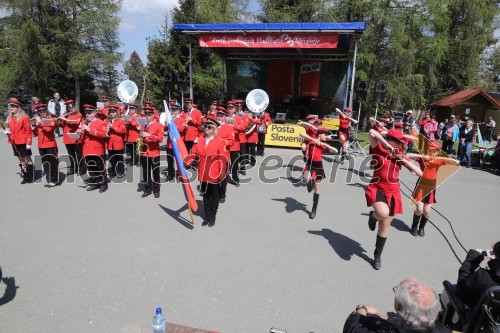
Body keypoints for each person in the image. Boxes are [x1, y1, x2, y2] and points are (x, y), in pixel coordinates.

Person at [366, 129, 422, 270]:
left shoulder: (400, 155)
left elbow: (420, 172)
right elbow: (372, 132)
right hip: (378, 188)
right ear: (390, 139)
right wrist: (387, 145)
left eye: (400, 143)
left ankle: (377, 255)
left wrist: (402, 158)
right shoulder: (378, 148)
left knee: (384, 226)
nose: (399, 145)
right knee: (382, 213)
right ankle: (373, 216)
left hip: (393, 193)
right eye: (398, 142)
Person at [343, 278, 450, 332]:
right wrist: (380, 315)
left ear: (397, 306)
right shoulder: (441, 330)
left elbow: (352, 327)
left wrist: (362, 308)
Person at [407, 142, 459, 237]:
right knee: (419, 208)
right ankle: (414, 227)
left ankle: (421, 228)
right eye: (430, 150)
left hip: (431, 187)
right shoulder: (423, 158)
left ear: (437, 152)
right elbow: (407, 155)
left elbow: (456, 162)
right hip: (421, 185)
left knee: (426, 211)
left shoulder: (439, 160)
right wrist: (422, 155)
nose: (431, 152)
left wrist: (443, 157)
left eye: (434, 151)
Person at [185, 118, 227, 227]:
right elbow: (193, 153)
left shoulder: (220, 141)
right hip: (203, 171)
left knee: (214, 195)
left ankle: (212, 216)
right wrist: (185, 162)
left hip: (214, 172)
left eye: (209, 127)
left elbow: (223, 158)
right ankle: (207, 215)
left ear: (213, 129)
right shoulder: (199, 139)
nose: (206, 129)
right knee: (206, 195)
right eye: (205, 126)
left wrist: (221, 174)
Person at [299, 127, 338, 219]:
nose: (326, 136)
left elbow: (336, 151)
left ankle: (314, 209)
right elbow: (301, 133)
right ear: (320, 134)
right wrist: (314, 140)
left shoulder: (323, 144)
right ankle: (309, 182)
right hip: (310, 163)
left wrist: (324, 144)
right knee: (305, 179)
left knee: (317, 186)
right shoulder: (311, 139)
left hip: (318, 166)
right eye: (325, 134)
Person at [456, 241, 500, 309]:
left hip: (470, 314)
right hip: (491, 318)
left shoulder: (483, 276)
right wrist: (496, 263)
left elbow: (461, 289)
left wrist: (471, 260)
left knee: (449, 289)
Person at [78, 104, 108, 193]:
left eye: (89, 113)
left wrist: (89, 129)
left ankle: (103, 184)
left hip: (97, 149)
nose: (87, 115)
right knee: (91, 167)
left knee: (100, 168)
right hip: (87, 149)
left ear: (94, 113)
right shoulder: (84, 123)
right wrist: (78, 134)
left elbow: (102, 135)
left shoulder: (100, 122)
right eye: (86, 113)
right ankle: (95, 183)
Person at [4, 98, 34, 184]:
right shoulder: (10, 118)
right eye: (11, 106)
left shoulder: (24, 118)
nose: (11, 108)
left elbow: (28, 131)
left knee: (27, 159)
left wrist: (29, 142)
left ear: (18, 108)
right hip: (13, 141)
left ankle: (31, 176)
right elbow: (11, 129)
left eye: (13, 106)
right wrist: (8, 131)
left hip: (23, 142)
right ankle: (25, 176)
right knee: (20, 159)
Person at [139, 106, 164, 198]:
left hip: (154, 152)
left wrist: (149, 135)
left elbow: (160, 139)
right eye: (146, 115)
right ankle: (148, 189)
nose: (147, 117)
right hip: (144, 152)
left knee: (155, 172)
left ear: (153, 115)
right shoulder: (143, 125)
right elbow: (141, 137)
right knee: (145, 172)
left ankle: (156, 190)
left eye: (149, 115)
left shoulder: (158, 125)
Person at [33, 104, 59, 187]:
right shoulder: (40, 120)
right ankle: (49, 180)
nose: (42, 113)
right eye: (40, 112)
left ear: (46, 111)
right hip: (41, 145)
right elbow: (35, 133)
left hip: (50, 144)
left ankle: (54, 180)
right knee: (45, 163)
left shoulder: (51, 119)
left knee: (53, 163)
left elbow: (48, 130)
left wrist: (40, 122)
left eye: (43, 111)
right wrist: (33, 125)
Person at [59, 99, 84, 175]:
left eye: (72, 107)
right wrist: (59, 120)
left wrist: (65, 119)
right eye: (69, 108)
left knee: (79, 154)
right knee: (71, 155)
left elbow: (76, 123)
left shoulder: (78, 114)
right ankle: (73, 168)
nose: (71, 109)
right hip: (67, 138)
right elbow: (62, 125)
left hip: (75, 137)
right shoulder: (67, 114)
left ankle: (82, 169)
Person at [216, 108, 236, 203]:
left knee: (223, 177)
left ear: (225, 117)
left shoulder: (229, 127)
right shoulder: (212, 127)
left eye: (221, 116)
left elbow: (232, 142)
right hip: (212, 156)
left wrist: (222, 141)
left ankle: (222, 194)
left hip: (223, 156)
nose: (219, 118)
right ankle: (214, 192)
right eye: (218, 116)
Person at [163, 101, 185, 182]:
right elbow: (163, 128)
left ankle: (181, 175)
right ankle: (170, 174)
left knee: (179, 161)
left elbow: (181, 129)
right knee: (169, 160)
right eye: (172, 110)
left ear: (179, 111)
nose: (173, 111)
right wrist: (167, 123)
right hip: (169, 144)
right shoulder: (169, 119)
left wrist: (173, 124)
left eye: (175, 110)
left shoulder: (182, 119)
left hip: (177, 144)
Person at [105, 104, 126, 178]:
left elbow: (122, 131)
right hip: (110, 143)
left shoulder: (121, 120)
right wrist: (105, 133)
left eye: (113, 112)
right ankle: (113, 171)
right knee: (112, 159)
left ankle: (121, 171)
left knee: (119, 158)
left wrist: (113, 127)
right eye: (110, 112)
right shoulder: (106, 121)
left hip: (118, 143)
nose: (111, 113)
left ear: (117, 113)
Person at [225, 101, 241, 186]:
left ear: (234, 109)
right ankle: (224, 178)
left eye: (231, 108)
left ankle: (235, 179)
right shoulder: (224, 117)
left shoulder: (238, 118)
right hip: (226, 144)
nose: (230, 110)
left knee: (234, 163)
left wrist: (233, 126)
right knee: (224, 162)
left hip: (234, 144)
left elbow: (243, 127)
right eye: (229, 108)